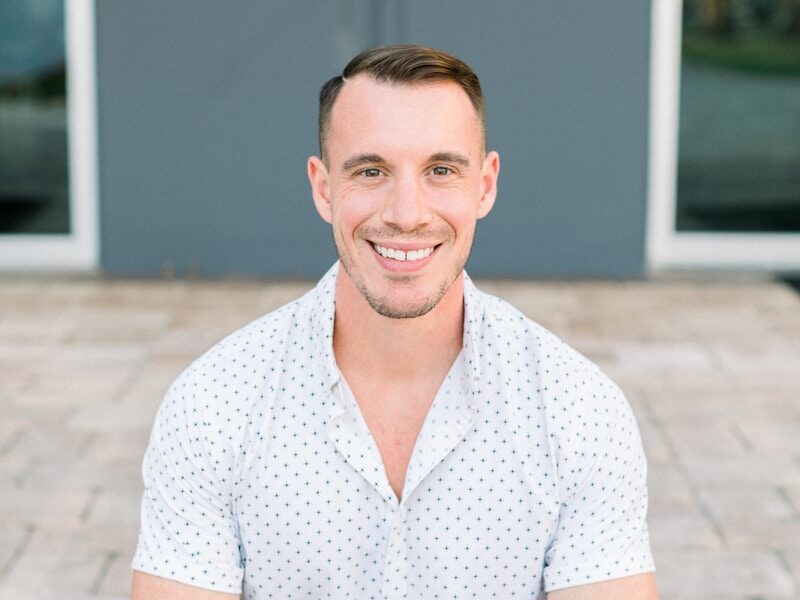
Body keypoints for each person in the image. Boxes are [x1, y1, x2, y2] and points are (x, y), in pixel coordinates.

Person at [131, 44, 658, 599]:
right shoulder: (214, 403)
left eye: (440, 170)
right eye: (371, 170)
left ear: (485, 185)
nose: (406, 213)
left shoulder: (578, 410)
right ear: (323, 187)